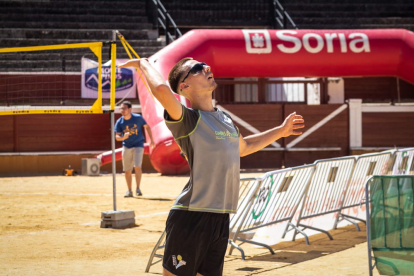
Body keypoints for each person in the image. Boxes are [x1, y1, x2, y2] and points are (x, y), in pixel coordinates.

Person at [119, 58, 304, 276]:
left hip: (221, 216)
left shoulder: (223, 118)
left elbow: (244, 147)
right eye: (197, 68)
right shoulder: (187, 119)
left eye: (205, 65)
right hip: (192, 215)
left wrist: (280, 131)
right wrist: (142, 63)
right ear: (184, 87)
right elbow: (160, 89)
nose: (207, 68)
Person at [115, 101, 155, 197]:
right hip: (126, 146)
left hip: (138, 144)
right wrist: (123, 137)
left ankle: (138, 188)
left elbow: (147, 127)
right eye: (121, 108)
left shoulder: (138, 118)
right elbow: (117, 137)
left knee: (137, 166)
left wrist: (151, 140)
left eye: (124, 108)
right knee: (127, 170)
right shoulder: (119, 122)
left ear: (129, 109)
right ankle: (129, 190)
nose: (122, 110)